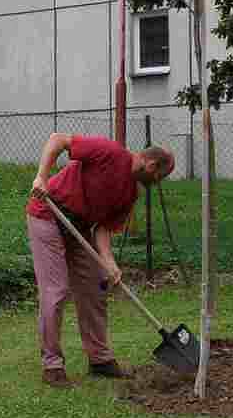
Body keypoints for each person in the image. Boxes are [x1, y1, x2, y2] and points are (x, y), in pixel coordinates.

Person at [27, 133, 175, 388]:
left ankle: (100, 360)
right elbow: (56, 140)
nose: (156, 184)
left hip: (82, 227)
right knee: (56, 291)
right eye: (158, 178)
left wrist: (109, 262)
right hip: (48, 214)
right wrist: (42, 176)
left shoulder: (130, 193)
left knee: (95, 288)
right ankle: (52, 366)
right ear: (151, 166)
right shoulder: (109, 152)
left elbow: (103, 228)